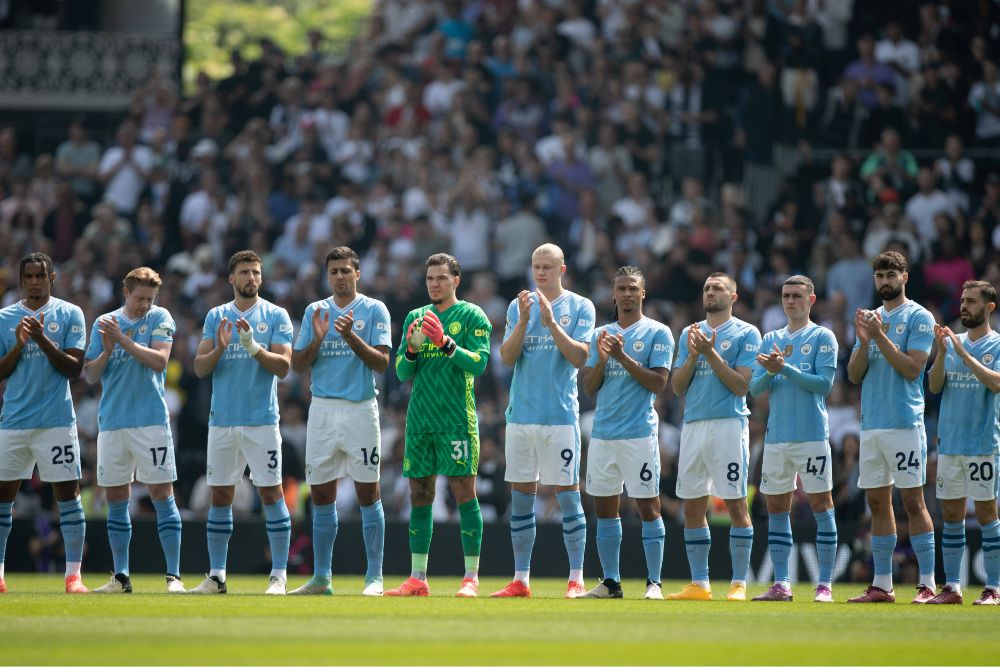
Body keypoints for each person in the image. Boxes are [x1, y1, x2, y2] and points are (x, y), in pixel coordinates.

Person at [491, 244, 595, 599]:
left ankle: (576, 578)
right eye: (536, 266)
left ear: (562, 268)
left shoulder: (580, 306)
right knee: (521, 499)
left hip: (560, 417)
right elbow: (506, 357)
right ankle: (521, 579)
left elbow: (580, 357)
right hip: (521, 416)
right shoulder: (517, 305)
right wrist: (522, 320)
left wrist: (551, 323)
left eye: (547, 266)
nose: (541, 272)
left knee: (568, 497)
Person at [385, 253, 492, 597]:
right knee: (420, 495)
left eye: (441, 278)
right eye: (430, 278)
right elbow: (401, 371)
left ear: (455, 280)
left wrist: (447, 344)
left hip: (456, 419)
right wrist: (413, 349)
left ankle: (471, 577)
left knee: (463, 491)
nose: (434, 284)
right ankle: (418, 577)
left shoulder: (471, 314)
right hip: (420, 420)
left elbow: (479, 364)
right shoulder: (416, 317)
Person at [190, 250, 294, 594]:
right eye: (244, 272)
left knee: (271, 494)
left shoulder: (276, 315)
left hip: (261, 421)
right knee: (220, 496)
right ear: (231, 278)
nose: (251, 278)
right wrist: (220, 348)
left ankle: (278, 575)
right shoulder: (216, 316)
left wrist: (252, 346)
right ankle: (217, 575)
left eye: (256, 272)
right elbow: (200, 368)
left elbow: (283, 367)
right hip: (222, 422)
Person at [289, 247, 390, 596]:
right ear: (327, 276)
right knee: (320, 493)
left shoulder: (375, 309)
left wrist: (350, 336)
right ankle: (321, 578)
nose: (340, 276)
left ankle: (374, 577)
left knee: (367, 490)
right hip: (322, 410)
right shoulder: (315, 311)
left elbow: (381, 363)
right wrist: (317, 338)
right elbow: (298, 366)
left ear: (357, 274)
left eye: (346, 270)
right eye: (334, 271)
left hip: (360, 408)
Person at [82, 268, 184, 594]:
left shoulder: (160, 317)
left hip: (151, 420)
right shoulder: (103, 323)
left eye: (149, 299)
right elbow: (90, 375)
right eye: (140, 298)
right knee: (115, 496)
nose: (144, 305)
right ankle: (121, 577)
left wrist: (123, 340)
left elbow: (160, 361)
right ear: (125, 293)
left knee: (161, 494)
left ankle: (173, 577)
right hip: (113, 421)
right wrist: (108, 349)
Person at [846, 250, 936, 603]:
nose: (885, 281)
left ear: (904, 277)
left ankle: (927, 584)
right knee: (878, 505)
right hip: (872, 425)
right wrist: (865, 340)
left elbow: (913, 369)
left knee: (914, 502)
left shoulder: (919, 317)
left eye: (891, 275)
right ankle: (882, 584)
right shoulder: (871, 321)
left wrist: (879, 336)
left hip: (904, 422)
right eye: (880, 275)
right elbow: (854, 375)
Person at [579, 266, 673, 600]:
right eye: (622, 288)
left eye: (633, 288)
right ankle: (611, 582)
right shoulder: (599, 335)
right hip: (604, 434)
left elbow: (659, 383)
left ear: (642, 293)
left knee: (648, 506)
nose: (628, 294)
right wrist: (604, 360)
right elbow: (589, 388)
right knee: (605, 508)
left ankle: (654, 583)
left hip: (639, 433)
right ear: (614, 294)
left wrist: (622, 356)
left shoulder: (658, 333)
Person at [668, 272, 762, 602]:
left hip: (729, 425)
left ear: (733, 297)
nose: (710, 292)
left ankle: (738, 584)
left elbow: (741, 386)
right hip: (693, 426)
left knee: (735, 504)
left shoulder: (747, 333)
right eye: (707, 288)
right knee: (693, 506)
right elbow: (677, 387)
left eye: (718, 288)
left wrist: (709, 353)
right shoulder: (688, 333)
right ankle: (700, 584)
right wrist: (694, 354)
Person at [0, 253, 88, 593]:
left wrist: (40, 339)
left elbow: (73, 369)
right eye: (29, 277)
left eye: (41, 275)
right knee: (3, 497)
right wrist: (20, 345)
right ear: (21, 281)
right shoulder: (6, 318)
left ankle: (73, 576)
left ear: (52, 277)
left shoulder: (69, 314)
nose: (35, 281)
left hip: (56, 421)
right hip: (14, 421)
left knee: (68, 493)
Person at [748, 276, 839, 603]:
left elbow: (824, 385)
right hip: (777, 438)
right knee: (776, 506)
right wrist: (771, 371)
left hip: (812, 436)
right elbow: (755, 389)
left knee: (821, 504)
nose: (791, 301)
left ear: (811, 300)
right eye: (786, 296)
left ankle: (825, 585)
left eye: (797, 296)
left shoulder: (822, 336)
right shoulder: (770, 338)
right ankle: (782, 584)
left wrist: (783, 368)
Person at [926, 280, 1000, 605]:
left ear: (989, 307)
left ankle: (993, 588)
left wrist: (963, 353)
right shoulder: (951, 343)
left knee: (986, 514)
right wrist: (942, 354)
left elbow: (996, 384)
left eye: (971, 301)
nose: (964, 306)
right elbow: (934, 385)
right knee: (952, 515)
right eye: (962, 301)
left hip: (982, 443)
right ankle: (952, 588)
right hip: (951, 444)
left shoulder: (997, 345)